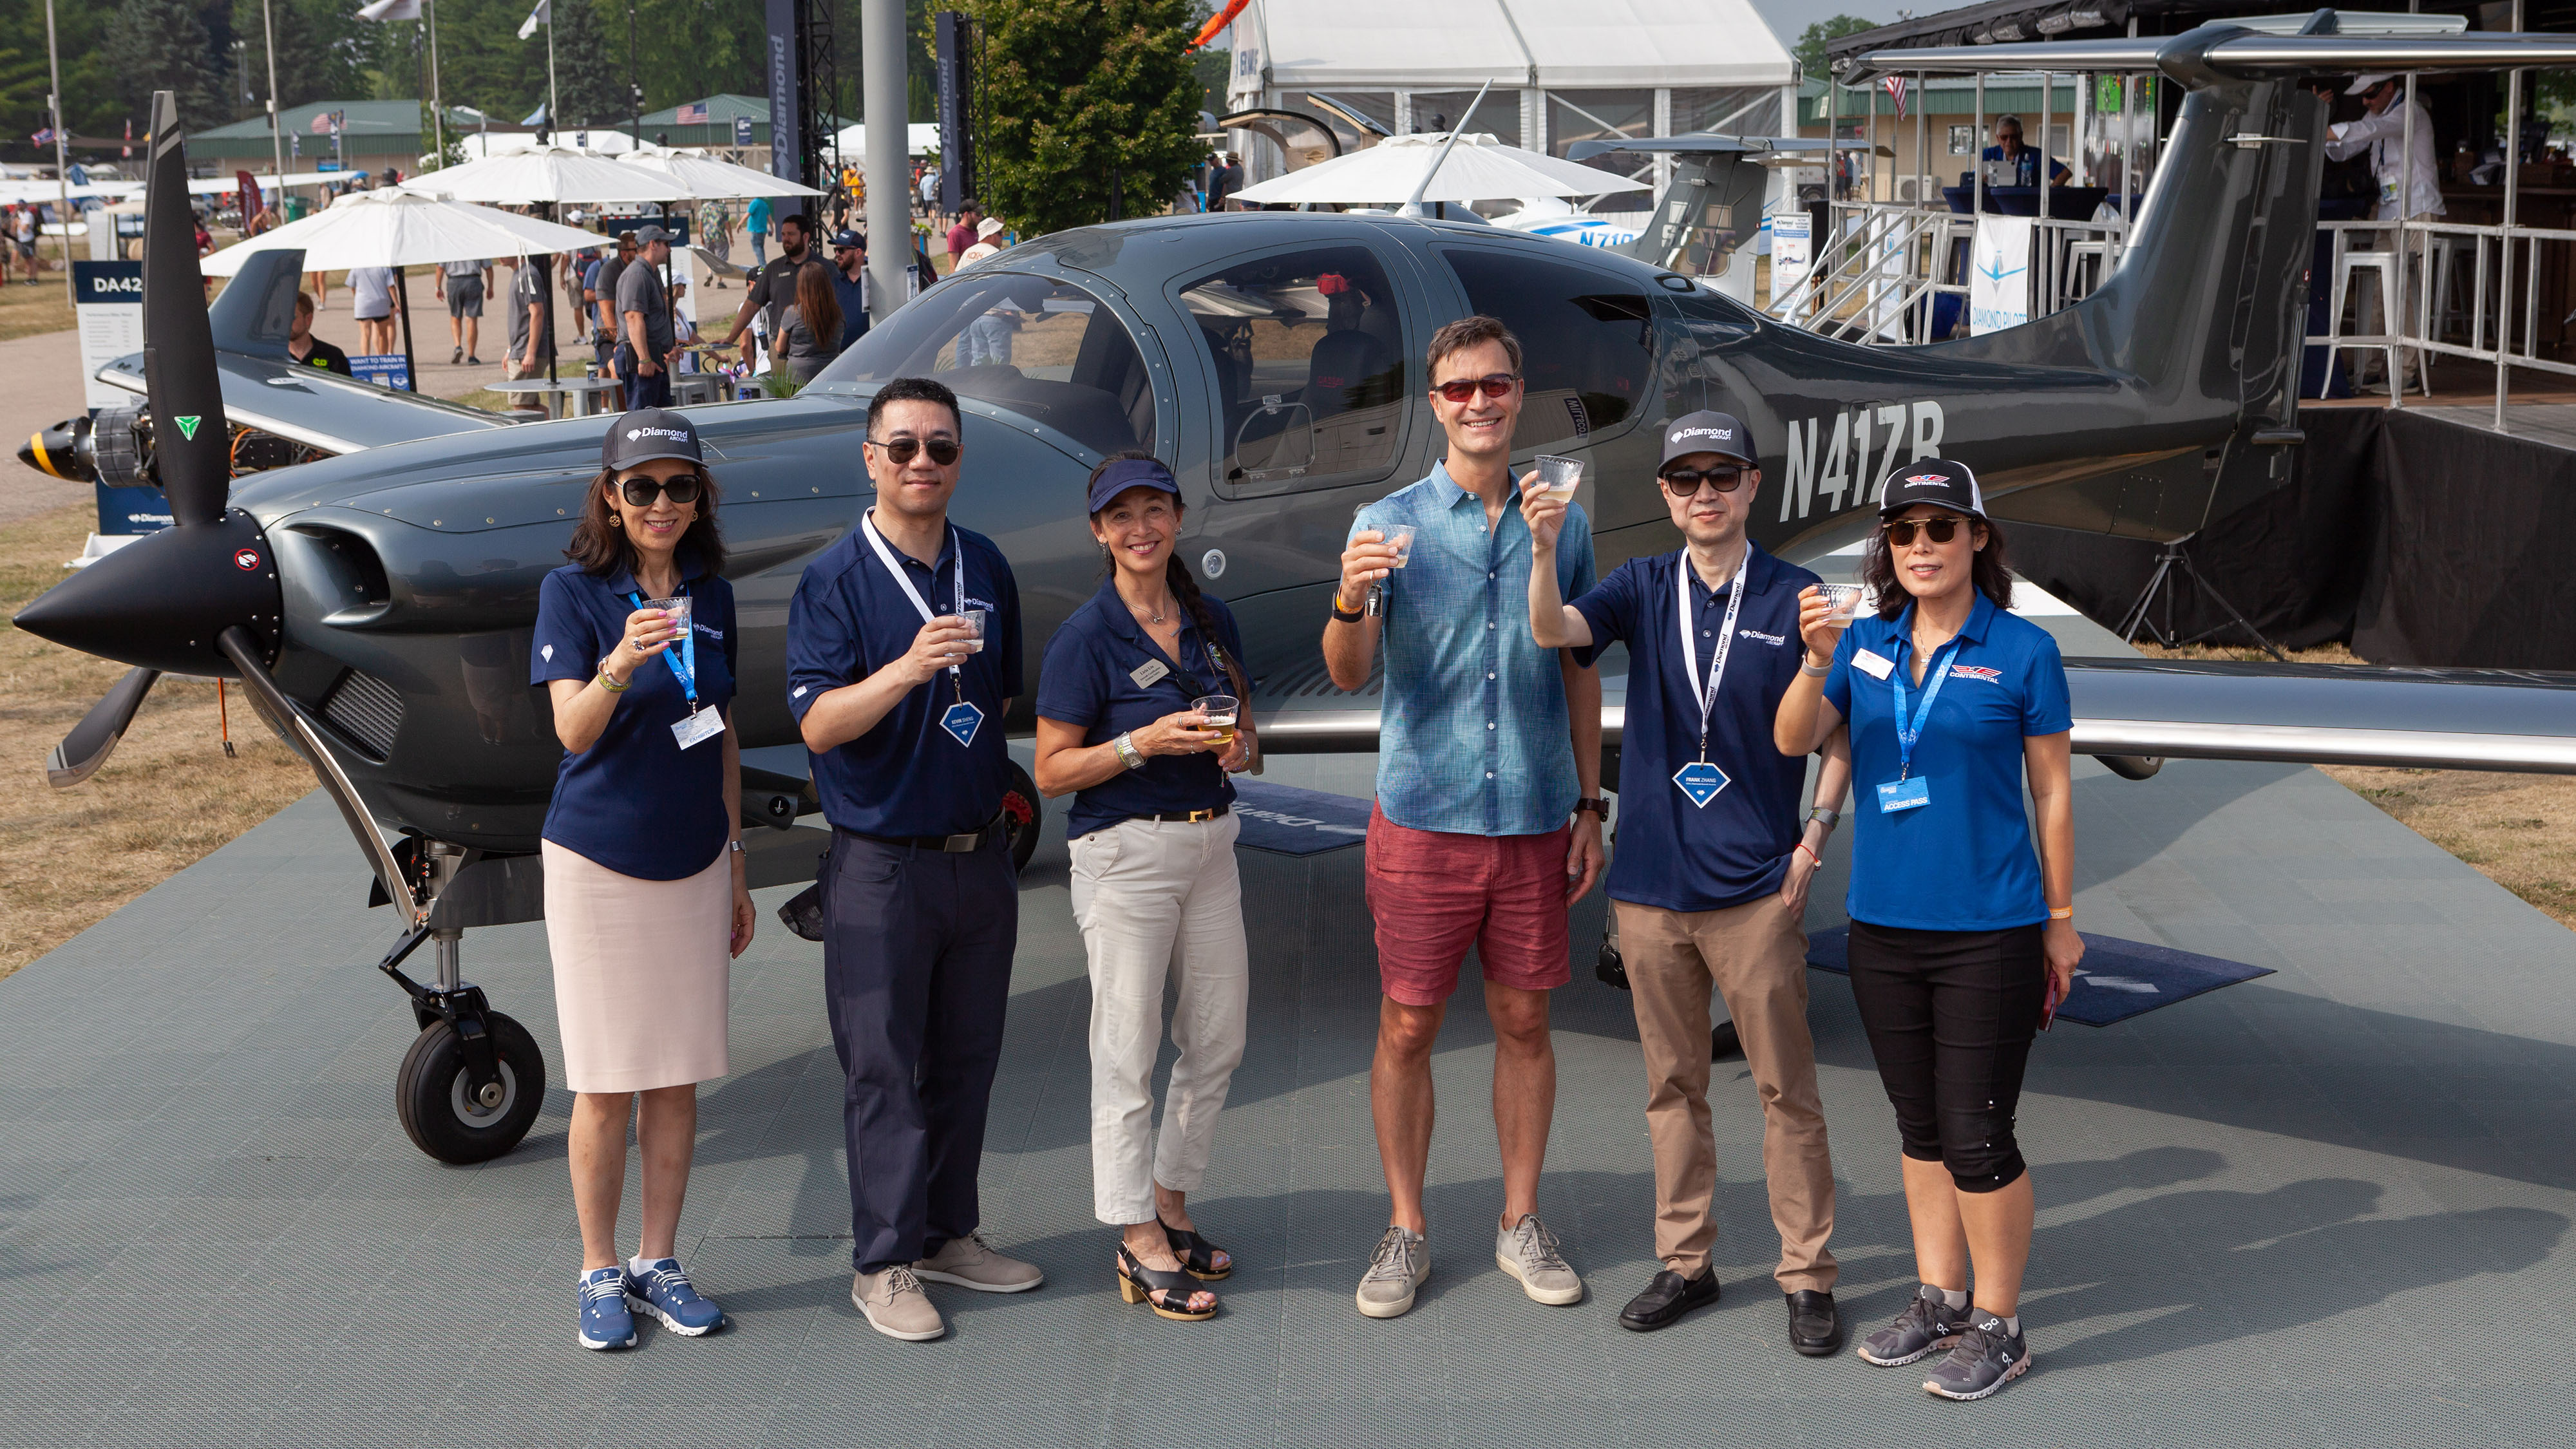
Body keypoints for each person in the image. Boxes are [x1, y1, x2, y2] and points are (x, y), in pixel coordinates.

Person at [1523, 412, 1852, 1350]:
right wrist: (1545, 548)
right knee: (1673, 1086)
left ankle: (1808, 1274)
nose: (1703, 493)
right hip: (1652, 889)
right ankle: (1687, 1262)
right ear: (1665, 496)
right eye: (1684, 479)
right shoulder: (1638, 584)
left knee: (1786, 1089)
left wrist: (1813, 836)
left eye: (1721, 475)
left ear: (1753, 485)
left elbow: (1839, 732)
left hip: (1754, 890)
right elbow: (1553, 629)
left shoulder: (1797, 595)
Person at [1772, 458, 2081, 1403]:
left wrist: (2061, 924)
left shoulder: (2023, 651)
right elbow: (1792, 739)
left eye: (1941, 529)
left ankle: (2001, 1324)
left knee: (1978, 1132)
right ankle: (1943, 1298)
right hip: (1882, 928)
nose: (1921, 547)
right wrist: (1817, 658)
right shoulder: (1864, 646)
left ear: (1978, 538)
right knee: (1919, 1128)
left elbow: (2054, 792)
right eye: (1902, 533)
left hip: (1991, 926)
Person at [1323, 315, 1605, 1320]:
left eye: (1494, 384)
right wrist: (1349, 602)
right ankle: (1406, 1226)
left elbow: (1579, 668)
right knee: (1407, 1025)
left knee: (1526, 1019)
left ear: (1517, 392)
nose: (1478, 402)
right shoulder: (1386, 519)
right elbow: (1349, 674)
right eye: (1458, 390)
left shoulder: (1562, 518)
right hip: (1424, 819)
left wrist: (1587, 799)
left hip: (1531, 813)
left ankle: (1517, 1220)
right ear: (1433, 404)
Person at [786, 375, 1045, 1343]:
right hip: (881, 862)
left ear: (959, 459)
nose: (922, 462)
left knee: (967, 1056)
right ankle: (882, 1261)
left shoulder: (985, 563)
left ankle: (947, 1233)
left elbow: (1001, 696)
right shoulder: (835, 581)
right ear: (871, 459)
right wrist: (901, 670)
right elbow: (816, 724)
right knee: (885, 1067)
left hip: (980, 855)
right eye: (903, 447)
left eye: (940, 446)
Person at [529, 408, 751, 1352]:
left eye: (680, 486)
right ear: (611, 499)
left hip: (697, 856)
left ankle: (660, 1261)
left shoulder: (714, 591)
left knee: (678, 1074)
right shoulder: (572, 593)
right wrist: (621, 658)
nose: (662, 503)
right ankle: (598, 1267)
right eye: (642, 487)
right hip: (598, 862)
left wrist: (737, 858)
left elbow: (724, 734)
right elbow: (571, 733)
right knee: (607, 1081)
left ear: (700, 498)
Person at [1034, 453, 1256, 1326]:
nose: (1140, 528)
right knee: (1126, 1051)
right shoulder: (1085, 637)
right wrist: (1139, 745)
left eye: (1154, 510)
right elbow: (1052, 771)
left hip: (1212, 845)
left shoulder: (1211, 620)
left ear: (1176, 517)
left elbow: (1247, 733)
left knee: (1218, 1039)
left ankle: (1170, 1198)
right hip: (1126, 854)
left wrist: (1240, 750)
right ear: (1099, 531)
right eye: (1120, 515)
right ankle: (1136, 1236)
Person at [2327, 74, 2447, 393]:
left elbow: (2369, 130)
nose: (2365, 103)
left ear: (2389, 88)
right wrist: (2324, 124)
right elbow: (2343, 150)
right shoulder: (2375, 115)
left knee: (2409, 292)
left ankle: (2405, 372)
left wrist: (2326, 129)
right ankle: (2368, 368)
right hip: (2389, 210)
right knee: (2379, 291)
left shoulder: (2411, 111)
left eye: (2369, 96)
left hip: (2417, 208)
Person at [716, 213, 813, 370]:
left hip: (814, 349)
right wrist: (730, 338)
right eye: (783, 234)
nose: (786, 239)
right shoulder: (773, 269)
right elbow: (752, 305)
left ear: (805, 236)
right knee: (783, 395)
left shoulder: (823, 267)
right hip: (781, 351)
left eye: (791, 234)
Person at [618, 225, 680, 410]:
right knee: (642, 424)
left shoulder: (649, 273)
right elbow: (633, 317)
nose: (669, 249)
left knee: (660, 421)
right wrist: (644, 359)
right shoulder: (637, 274)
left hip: (652, 356)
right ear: (653, 244)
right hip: (640, 358)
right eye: (666, 244)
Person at [775, 260, 844, 387]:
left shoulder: (793, 313)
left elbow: (780, 347)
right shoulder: (837, 313)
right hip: (831, 375)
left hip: (798, 378)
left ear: (801, 286)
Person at [501, 252, 554, 382]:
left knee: (521, 402)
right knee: (526, 402)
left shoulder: (527, 275)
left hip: (527, 351)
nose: (500, 255)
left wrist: (530, 353)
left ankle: (556, 404)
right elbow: (520, 318)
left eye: (505, 250)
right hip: (519, 350)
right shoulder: (519, 274)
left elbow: (537, 313)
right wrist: (510, 350)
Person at [1979, 116, 2072, 190]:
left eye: (2013, 137)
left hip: (2028, 206)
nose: (2009, 141)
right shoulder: (1988, 154)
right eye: (2004, 137)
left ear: (2021, 136)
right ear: (1998, 138)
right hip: (1997, 207)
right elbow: (1972, 178)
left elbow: (2065, 173)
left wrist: (2048, 194)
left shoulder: (2036, 155)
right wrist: (1980, 179)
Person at [435, 256, 489, 366]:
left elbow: (440, 268)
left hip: (454, 282)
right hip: (473, 281)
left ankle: (458, 346)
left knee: (455, 316)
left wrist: (438, 287)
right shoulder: (475, 244)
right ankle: (472, 356)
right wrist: (491, 287)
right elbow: (489, 267)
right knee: (471, 319)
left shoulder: (448, 245)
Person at [285, 290, 353, 376]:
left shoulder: (333, 357)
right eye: (282, 317)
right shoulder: (272, 358)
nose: (285, 323)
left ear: (308, 319)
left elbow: (346, 388)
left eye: (291, 317)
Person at [827, 229, 871, 352]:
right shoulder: (833, 283)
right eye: (835, 250)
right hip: (840, 358)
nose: (837, 254)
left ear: (858, 252)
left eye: (841, 250)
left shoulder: (874, 282)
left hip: (870, 355)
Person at [348, 265, 400, 358]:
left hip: (363, 303)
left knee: (365, 333)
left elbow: (352, 285)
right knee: (382, 333)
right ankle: (383, 357)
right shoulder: (384, 267)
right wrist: (396, 303)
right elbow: (391, 286)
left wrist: (356, 296)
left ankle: (365, 358)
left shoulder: (356, 267)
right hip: (381, 302)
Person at [945, 199, 983, 272]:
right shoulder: (955, 233)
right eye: (978, 214)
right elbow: (953, 267)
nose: (981, 217)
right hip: (966, 277)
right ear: (966, 214)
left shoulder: (976, 230)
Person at [745, 194, 772, 266]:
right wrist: (772, 228)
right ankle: (763, 264)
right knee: (760, 248)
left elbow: (747, 215)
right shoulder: (764, 204)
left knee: (757, 248)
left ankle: (763, 265)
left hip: (756, 230)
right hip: (763, 230)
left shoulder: (754, 203)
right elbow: (769, 217)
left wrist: (739, 224)